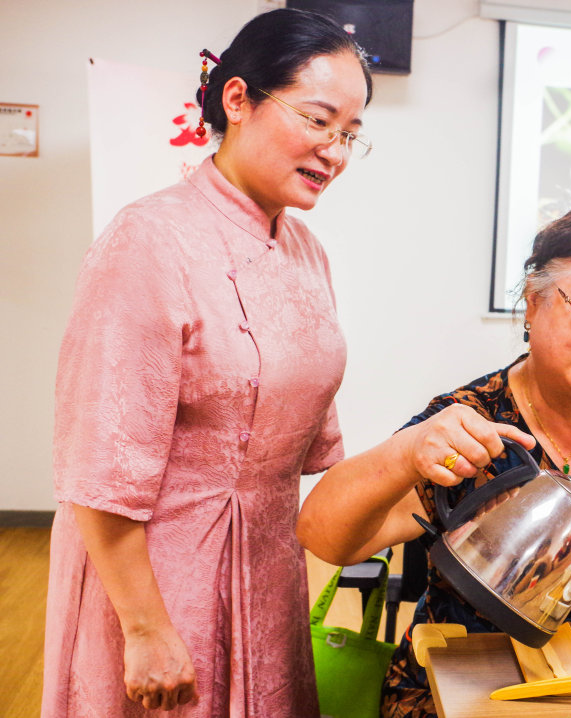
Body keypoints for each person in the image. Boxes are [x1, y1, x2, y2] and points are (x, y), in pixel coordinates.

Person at [43, 9, 373, 716]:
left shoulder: (307, 251)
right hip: (156, 575)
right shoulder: (148, 240)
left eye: (349, 134)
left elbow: (303, 441)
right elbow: (95, 467)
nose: (335, 151)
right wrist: (145, 629)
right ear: (238, 100)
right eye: (319, 121)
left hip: (267, 563)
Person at [297, 202, 571, 718]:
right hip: (467, 691)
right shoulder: (471, 425)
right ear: (533, 303)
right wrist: (405, 451)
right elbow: (323, 536)